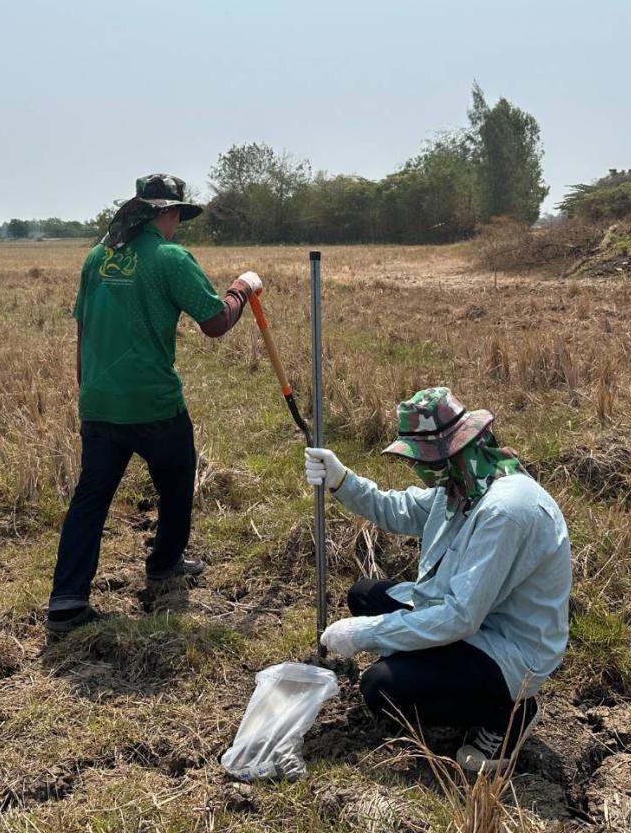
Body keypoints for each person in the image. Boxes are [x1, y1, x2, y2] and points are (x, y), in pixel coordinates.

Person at [303, 387, 571, 772]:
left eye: (421, 460)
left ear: (450, 452)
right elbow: (395, 508)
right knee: (364, 595)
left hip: (508, 648)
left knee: (381, 687)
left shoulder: (504, 511)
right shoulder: (464, 485)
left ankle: (508, 714)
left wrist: (368, 634)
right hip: (471, 620)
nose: (416, 469)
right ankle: (437, 670)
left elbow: (461, 617)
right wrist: (341, 480)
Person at [47, 174, 260, 634]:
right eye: (178, 214)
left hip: (100, 402)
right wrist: (242, 288)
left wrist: (88, 392)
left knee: (90, 500)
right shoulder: (169, 258)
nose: (178, 223)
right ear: (168, 212)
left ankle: (66, 601)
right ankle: (164, 565)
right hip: (154, 403)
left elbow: (81, 328)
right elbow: (217, 322)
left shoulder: (97, 256)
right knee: (178, 480)